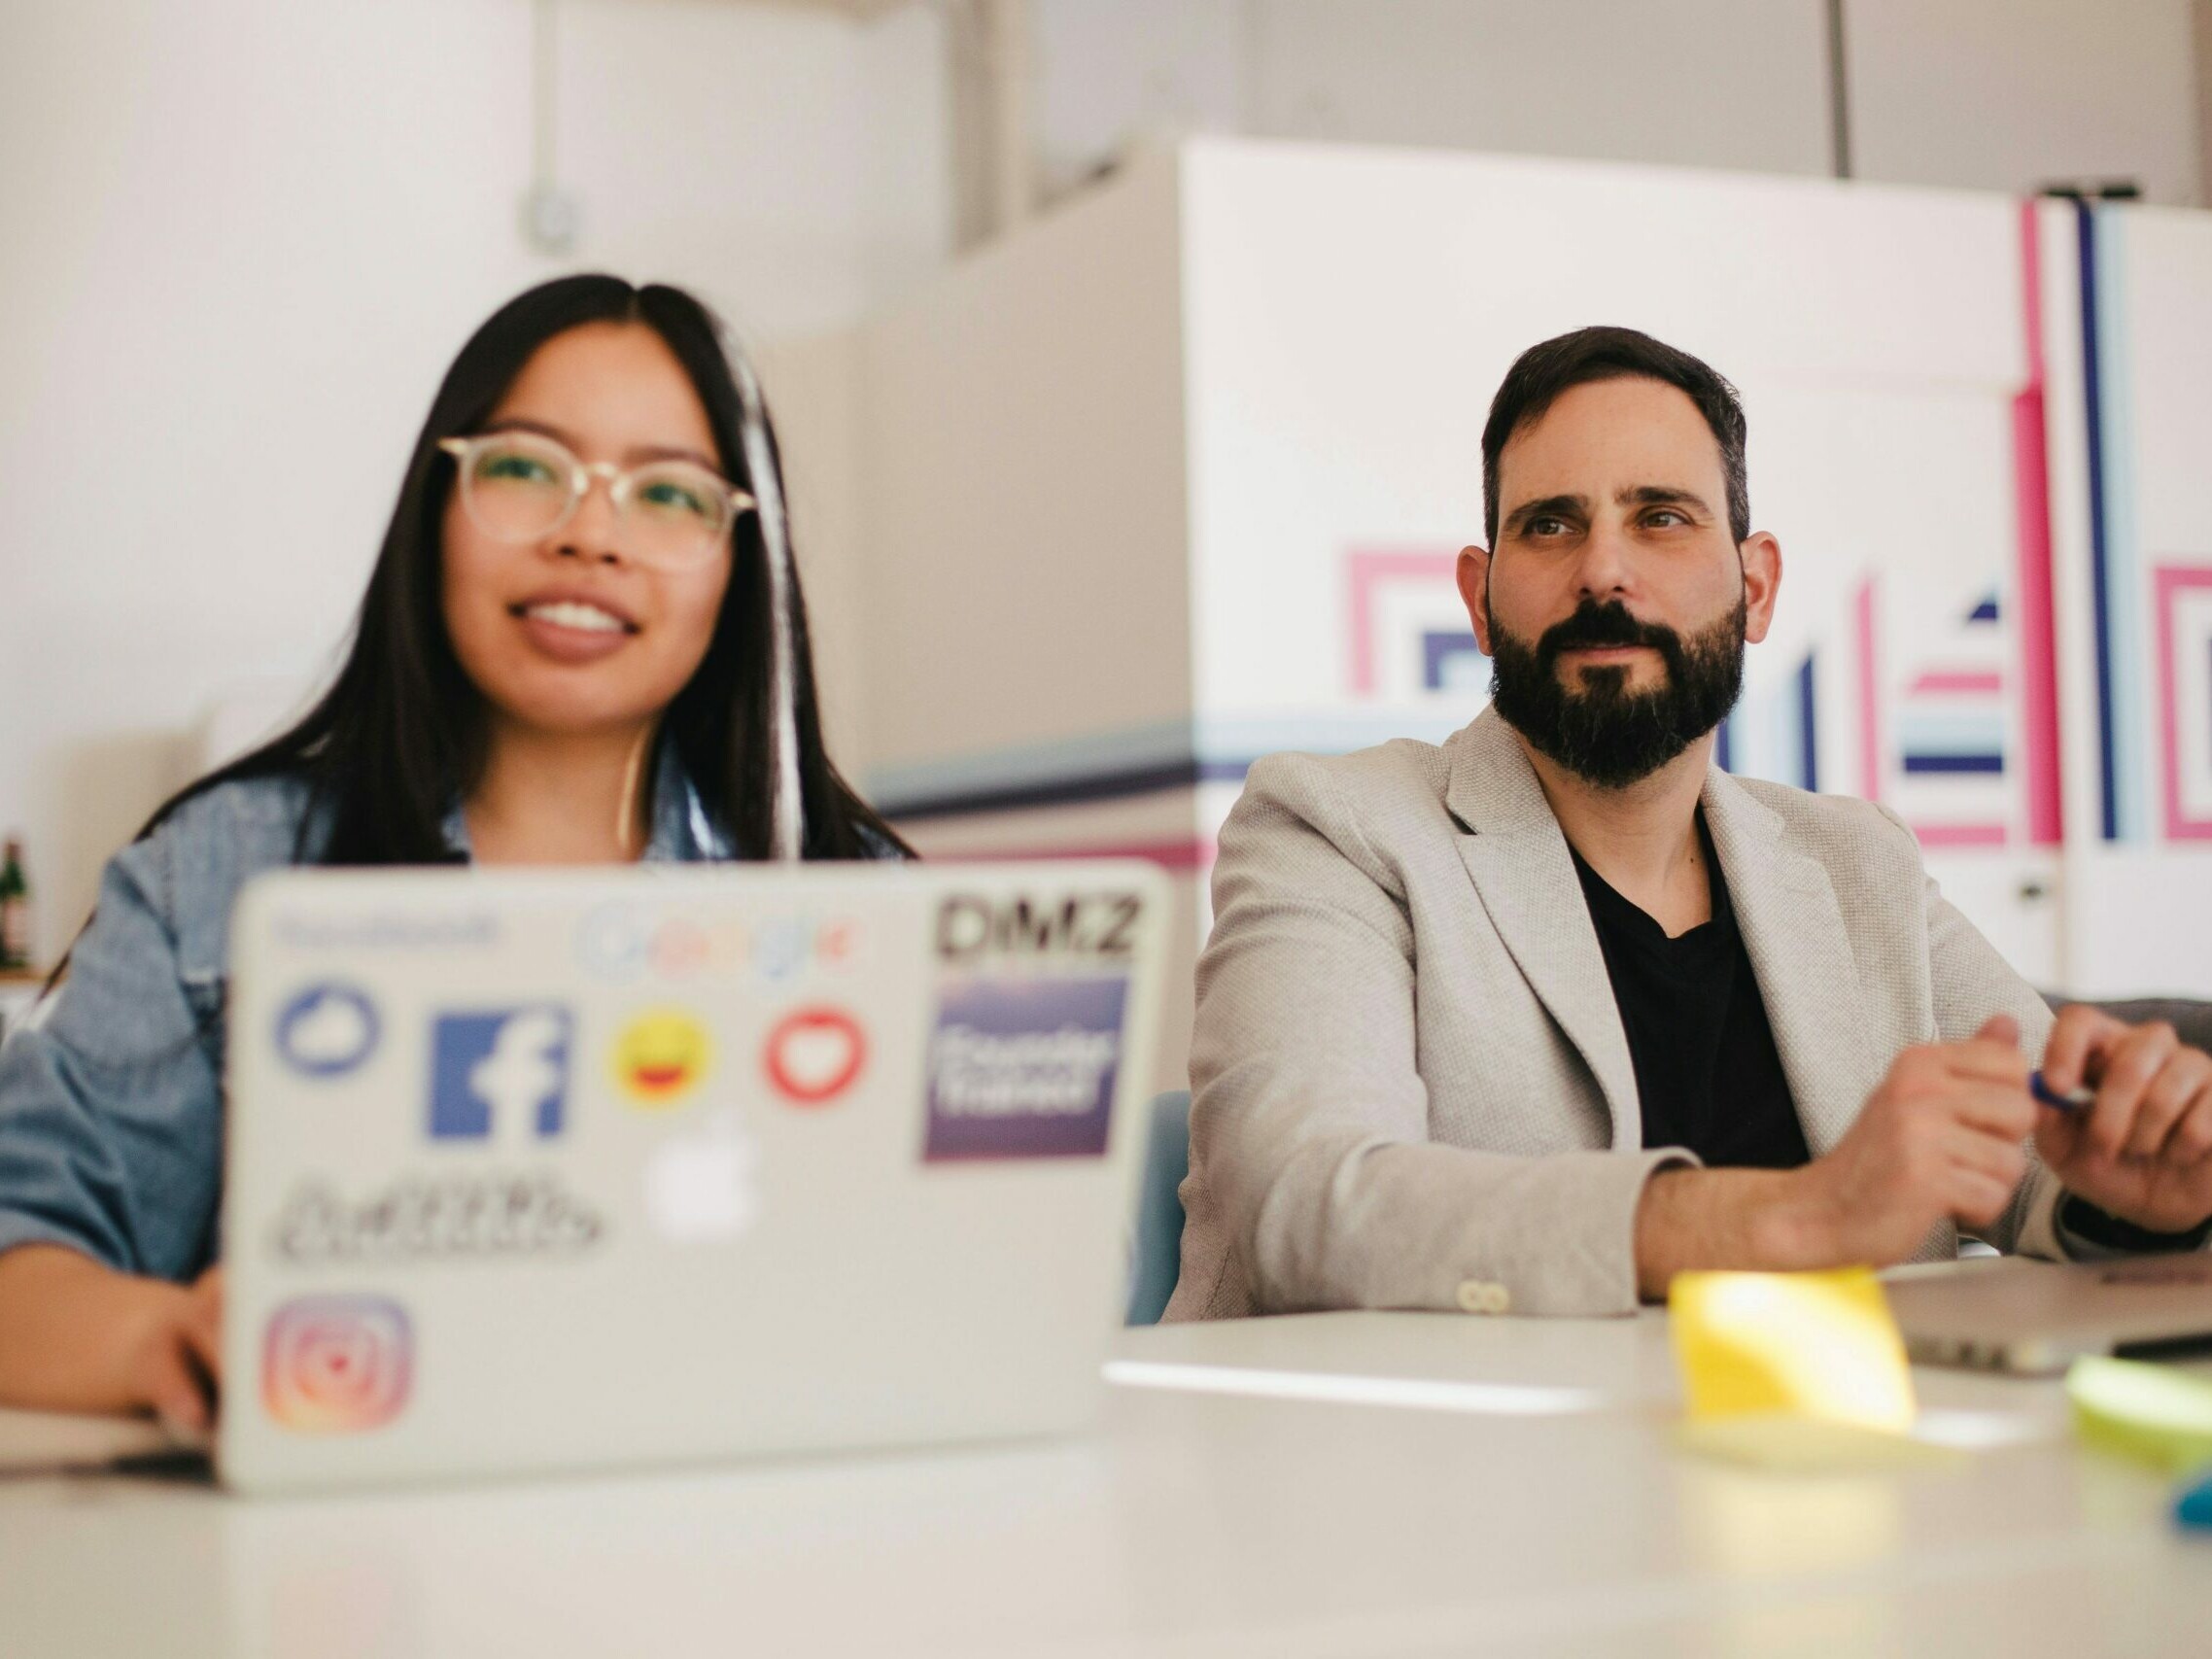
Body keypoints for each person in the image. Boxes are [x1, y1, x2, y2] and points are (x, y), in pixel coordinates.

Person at [0, 275, 906, 1425]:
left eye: (668, 493)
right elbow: (19, 1245)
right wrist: (160, 1340)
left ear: (742, 566)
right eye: (525, 469)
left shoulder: (853, 897)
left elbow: (1013, 1264)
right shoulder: (223, 871)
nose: (589, 533)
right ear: (437, 509)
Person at [1167, 326, 2212, 1322]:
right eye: (1549, 524)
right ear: (1480, 601)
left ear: (1754, 589)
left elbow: (2044, 1160)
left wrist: (2136, 1186)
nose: (1602, 572)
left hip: (1825, 1469)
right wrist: (1796, 1217)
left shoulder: (1856, 864)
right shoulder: (1335, 830)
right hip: (1424, 1487)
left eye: (1659, 517)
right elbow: (1304, 1208)